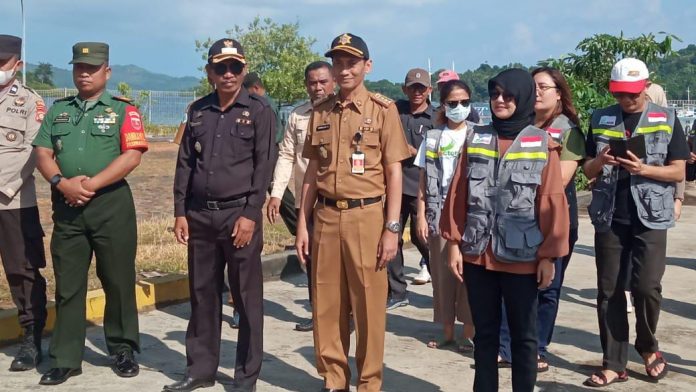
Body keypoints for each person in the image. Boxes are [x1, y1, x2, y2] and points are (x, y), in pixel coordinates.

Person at [440, 68, 569, 392]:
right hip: (478, 255)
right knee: (484, 335)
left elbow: (551, 200)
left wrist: (548, 257)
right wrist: (454, 243)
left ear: (522, 97)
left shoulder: (542, 143)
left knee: (524, 338)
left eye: (508, 95)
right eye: (495, 93)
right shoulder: (476, 137)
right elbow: (458, 192)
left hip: (522, 258)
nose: (500, 100)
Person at [295, 33, 410, 392]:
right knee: (327, 304)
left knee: (368, 307)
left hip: (367, 217)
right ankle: (334, 380)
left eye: (352, 63)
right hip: (326, 218)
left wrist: (392, 228)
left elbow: (394, 173)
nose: (344, 70)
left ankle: (369, 382)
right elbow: (312, 172)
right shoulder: (321, 111)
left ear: (367, 66)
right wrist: (302, 223)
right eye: (339, 63)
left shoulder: (383, 110)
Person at [33, 42, 147, 385]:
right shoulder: (58, 111)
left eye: (92, 67)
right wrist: (60, 182)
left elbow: (133, 155)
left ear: (107, 72)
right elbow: (42, 151)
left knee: (118, 279)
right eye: (79, 67)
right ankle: (66, 357)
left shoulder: (124, 111)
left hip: (111, 206)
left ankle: (122, 348)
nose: (84, 73)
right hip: (67, 208)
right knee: (68, 285)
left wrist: (91, 184)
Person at [167, 38, 276, 392]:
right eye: (220, 67)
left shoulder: (259, 110)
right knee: (202, 294)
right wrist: (180, 211)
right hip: (200, 216)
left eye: (234, 67)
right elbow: (185, 163)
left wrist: (250, 213)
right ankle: (200, 370)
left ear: (244, 70)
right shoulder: (198, 110)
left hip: (238, 216)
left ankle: (246, 377)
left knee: (246, 298)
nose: (228, 74)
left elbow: (264, 166)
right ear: (209, 72)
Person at [582, 58, 688, 387]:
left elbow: (678, 171)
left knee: (646, 287)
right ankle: (614, 361)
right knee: (609, 290)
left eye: (631, 94)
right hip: (610, 214)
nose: (626, 101)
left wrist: (644, 170)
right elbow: (587, 169)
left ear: (646, 85)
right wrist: (602, 160)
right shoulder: (601, 118)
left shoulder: (667, 119)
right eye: (619, 94)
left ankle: (647, 345)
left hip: (651, 214)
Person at [497, 66, 586, 372]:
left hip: (554, 220)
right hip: (515, 220)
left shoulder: (569, 131)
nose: (536, 92)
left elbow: (558, 180)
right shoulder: (518, 126)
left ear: (558, 93)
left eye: (543, 87)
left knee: (547, 287)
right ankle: (506, 346)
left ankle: (537, 348)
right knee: (513, 283)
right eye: (532, 86)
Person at [267, 60, 335, 332]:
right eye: (312, 82)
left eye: (322, 82)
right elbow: (286, 155)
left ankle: (345, 313)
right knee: (311, 256)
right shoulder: (298, 116)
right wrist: (276, 193)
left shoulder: (342, 112)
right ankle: (318, 313)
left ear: (333, 82)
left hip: (338, 197)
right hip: (308, 200)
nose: (317, 87)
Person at [414, 79, 474, 352]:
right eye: (453, 103)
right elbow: (424, 181)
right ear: (443, 105)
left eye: (464, 102)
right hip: (439, 212)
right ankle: (447, 332)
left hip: (473, 214)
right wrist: (420, 215)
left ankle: (468, 333)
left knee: (470, 276)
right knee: (442, 275)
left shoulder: (480, 134)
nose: (459, 107)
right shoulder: (434, 136)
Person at [0, 34, 48, 372]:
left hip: (13, 200)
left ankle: (31, 340)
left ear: (18, 65)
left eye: (2, 63)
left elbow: (35, 152)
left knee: (22, 271)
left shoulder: (31, 102)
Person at [390, 68, 433, 304]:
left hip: (421, 187)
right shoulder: (393, 111)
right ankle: (397, 292)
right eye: (412, 88)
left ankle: (443, 282)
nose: (417, 92)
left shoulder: (436, 118)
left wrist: (417, 154)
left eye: (421, 88)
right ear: (404, 89)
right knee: (391, 237)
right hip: (394, 185)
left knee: (422, 237)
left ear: (429, 90)